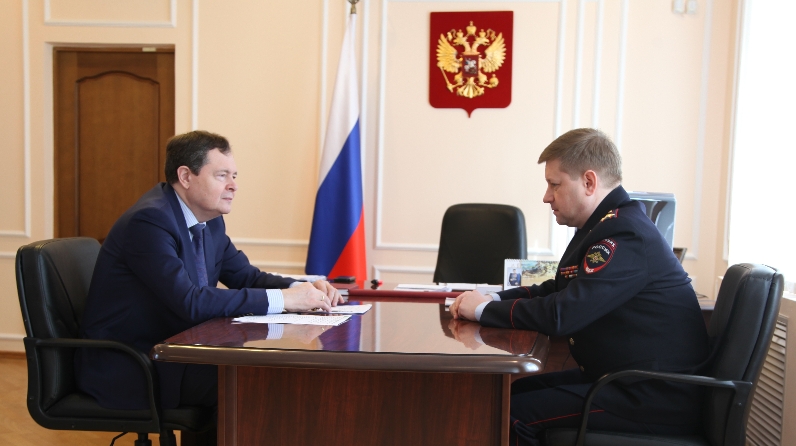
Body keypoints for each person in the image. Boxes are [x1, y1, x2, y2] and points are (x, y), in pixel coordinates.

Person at [450, 128, 709, 446]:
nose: (546, 196)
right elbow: (556, 289)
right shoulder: (604, 226)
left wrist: (483, 310)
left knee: (508, 412)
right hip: (627, 382)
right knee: (506, 395)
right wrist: (492, 297)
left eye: (554, 184)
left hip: (651, 397)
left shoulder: (625, 234)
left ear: (588, 182)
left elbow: (563, 313)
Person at [76, 130, 343, 411]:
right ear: (185, 176)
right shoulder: (149, 222)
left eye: (234, 176)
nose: (233, 186)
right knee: (262, 382)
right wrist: (286, 299)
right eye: (222, 175)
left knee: (264, 375)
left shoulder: (210, 221)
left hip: (180, 352)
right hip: (135, 365)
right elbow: (190, 302)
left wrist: (300, 289)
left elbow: (246, 277)